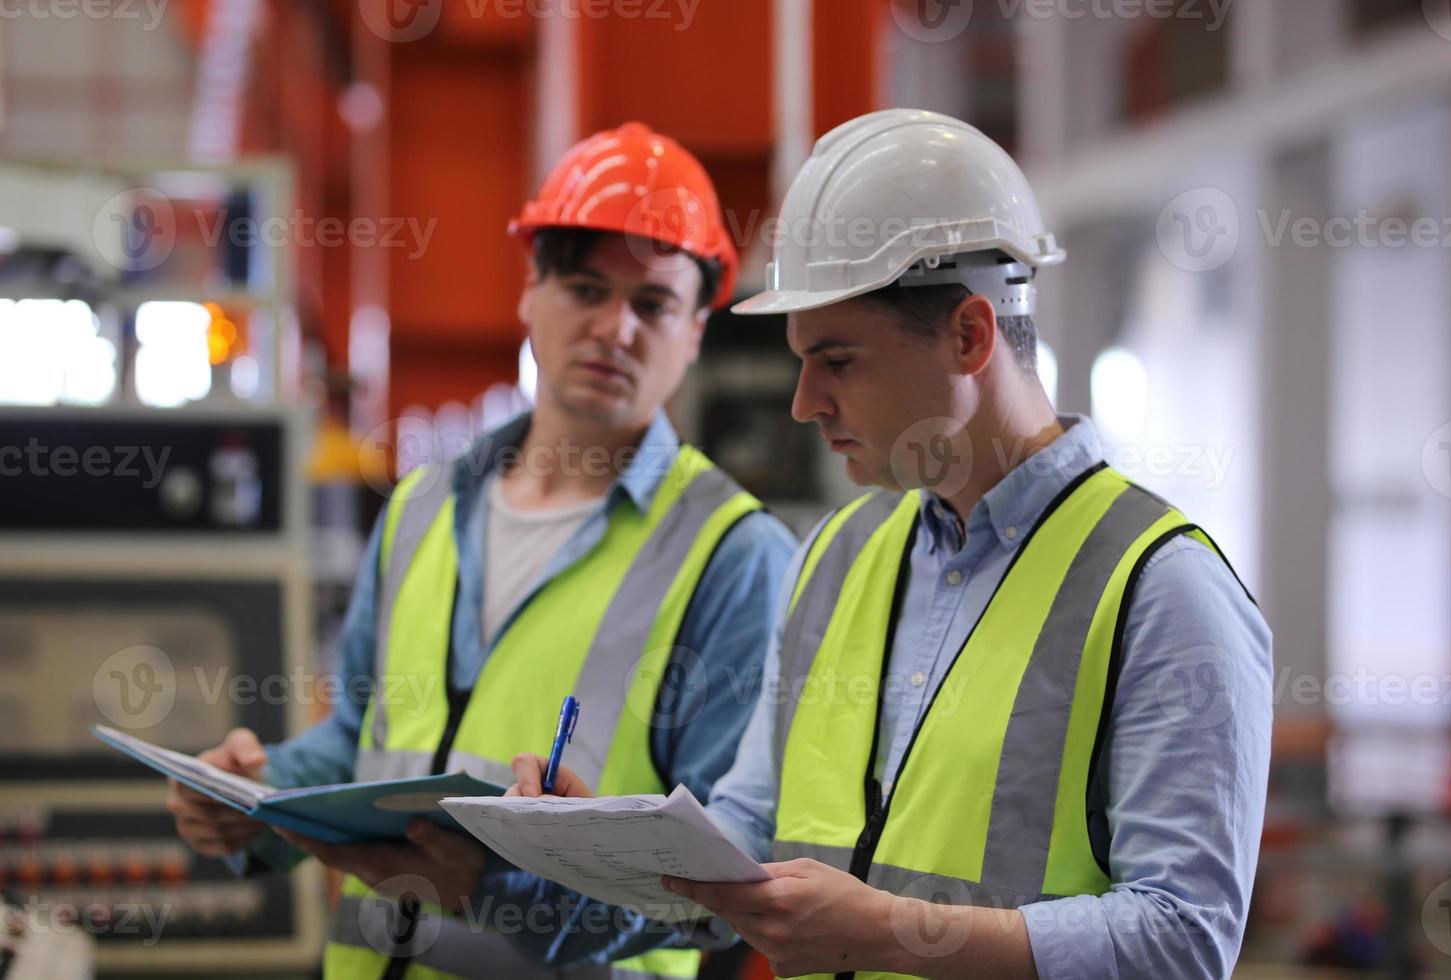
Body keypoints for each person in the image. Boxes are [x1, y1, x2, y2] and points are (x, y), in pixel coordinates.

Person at [509, 109, 1273, 980]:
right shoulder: (835, 558)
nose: (803, 402)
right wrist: (609, 846)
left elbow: (1184, 937)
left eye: (837, 359)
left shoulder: (1161, 587)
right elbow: (750, 830)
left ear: (970, 336)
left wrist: (888, 933)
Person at [166, 122, 795, 980]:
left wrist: (491, 890)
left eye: (652, 305)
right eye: (584, 289)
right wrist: (258, 797)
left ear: (694, 331)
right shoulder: (422, 507)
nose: (616, 329)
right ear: (529, 293)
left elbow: (719, 877)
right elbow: (362, 735)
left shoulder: (735, 555)